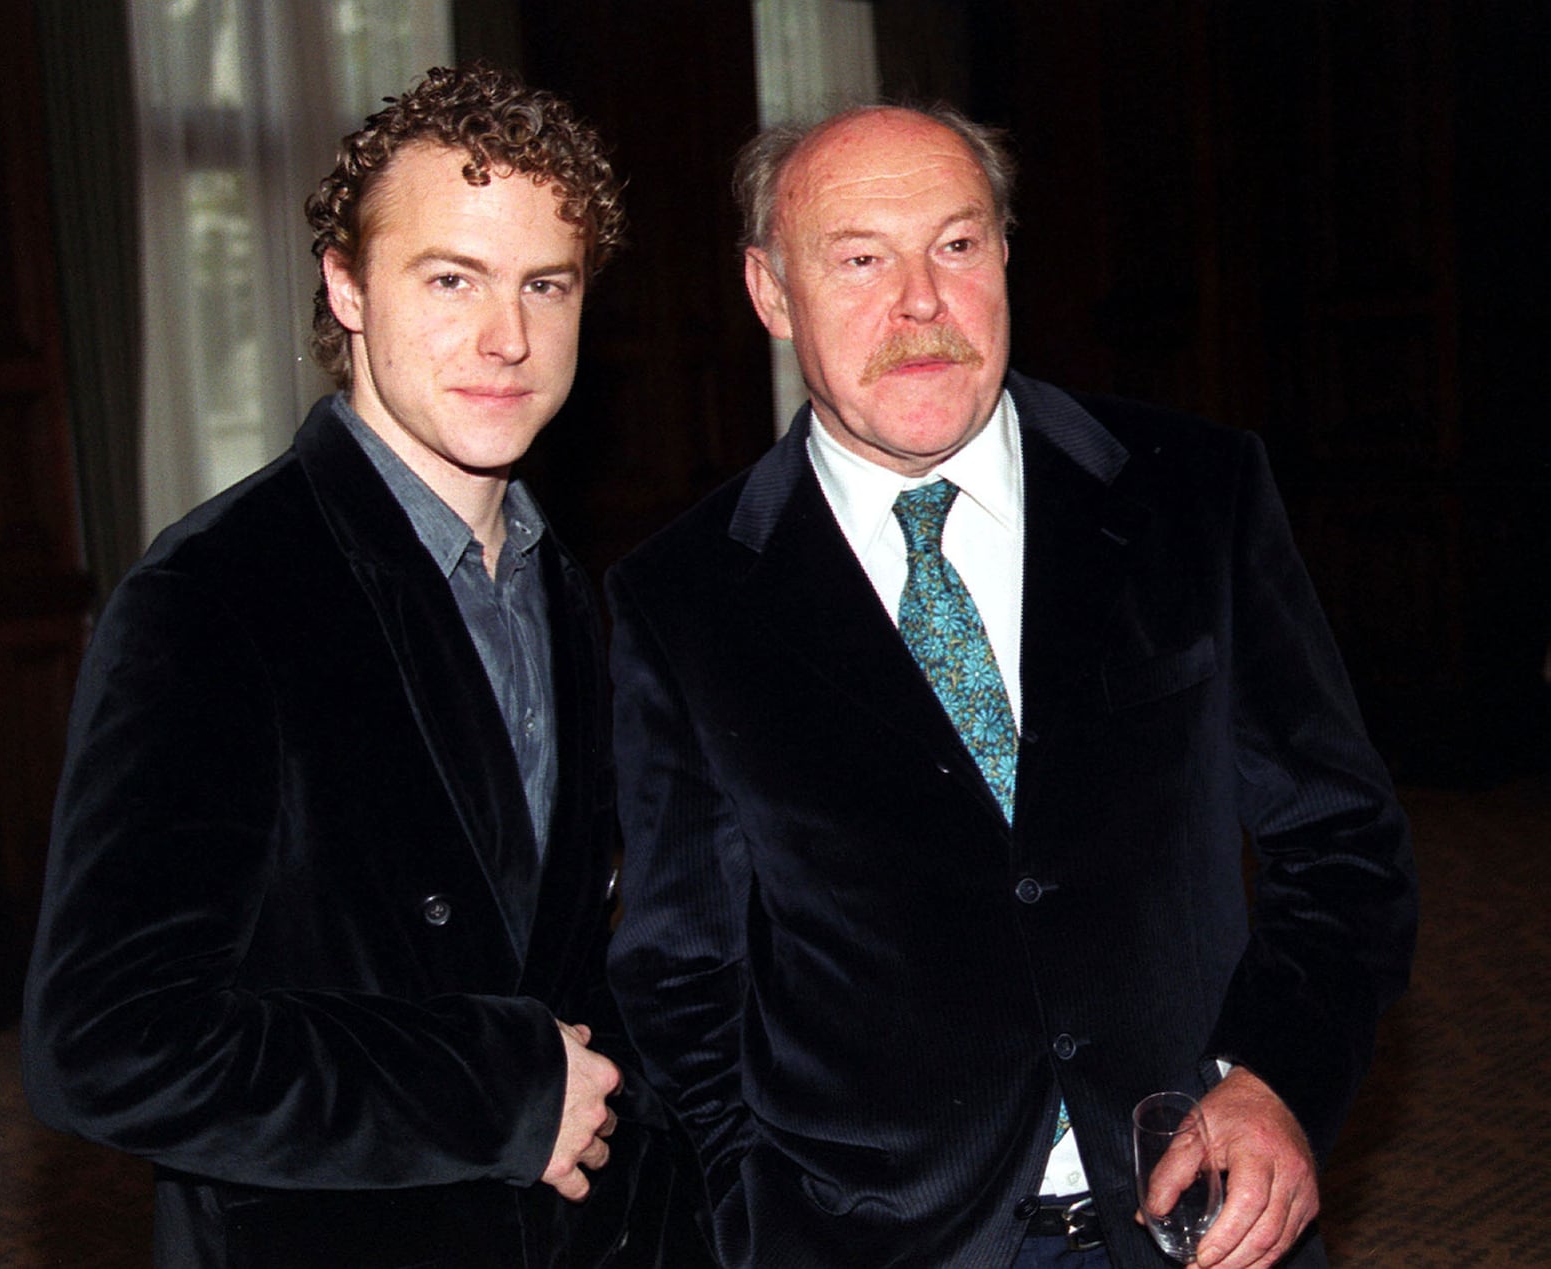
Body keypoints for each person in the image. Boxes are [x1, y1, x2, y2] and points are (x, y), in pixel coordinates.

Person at [603, 103, 1417, 1269]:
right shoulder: (683, 599)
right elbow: (681, 971)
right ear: (771, 295)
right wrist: (759, 1215)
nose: (920, 303)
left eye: (957, 244)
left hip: (1201, 1221)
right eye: (859, 259)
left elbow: (1342, 842)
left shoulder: (1192, 494)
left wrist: (1276, 1079)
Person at [24, 63, 693, 1268]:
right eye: (452, 279)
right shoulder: (215, 595)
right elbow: (107, 1045)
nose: (508, 338)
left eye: (547, 284)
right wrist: (490, 1090)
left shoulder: (561, 580)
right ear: (346, 288)